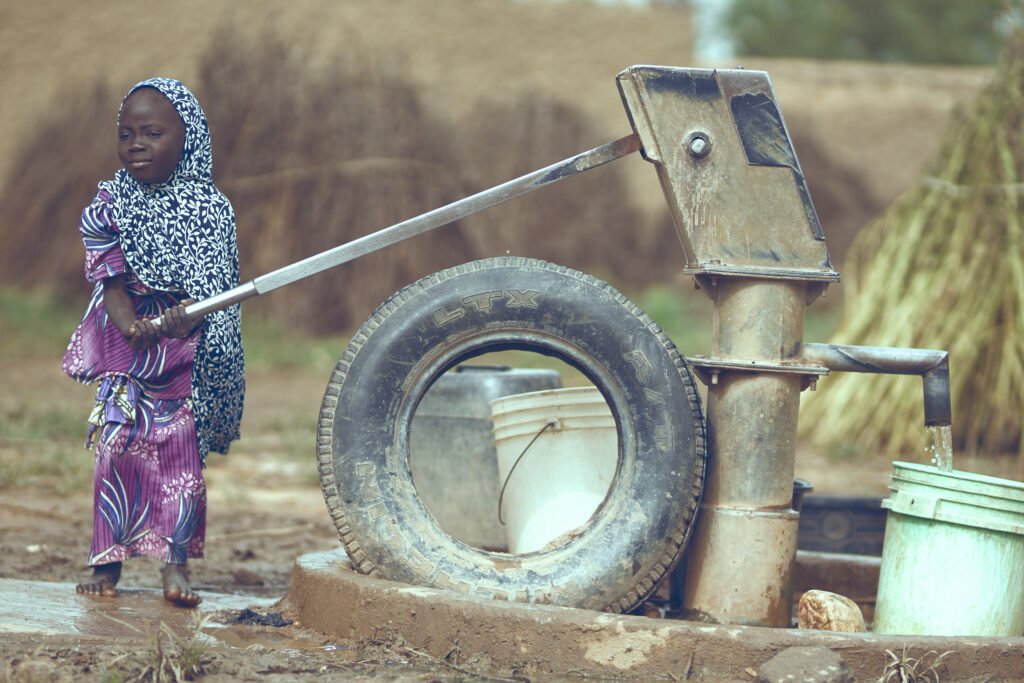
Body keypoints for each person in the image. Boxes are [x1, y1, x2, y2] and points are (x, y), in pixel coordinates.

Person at [62, 77, 244, 607]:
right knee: (115, 452)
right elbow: (110, 280)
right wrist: (129, 324)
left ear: (187, 140)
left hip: (186, 359)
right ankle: (107, 564)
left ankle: (175, 568)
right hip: (127, 353)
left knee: (179, 460)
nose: (135, 143)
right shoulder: (109, 202)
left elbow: (215, 291)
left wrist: (182, 319)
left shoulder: (211, 209)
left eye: (152, 132)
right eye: (126, 133)